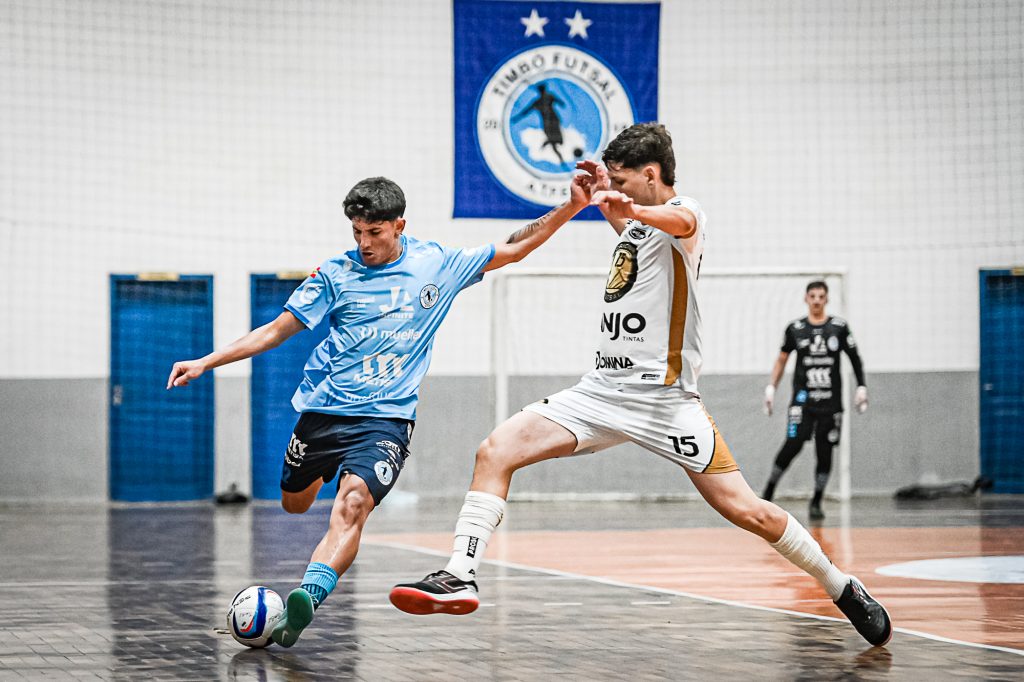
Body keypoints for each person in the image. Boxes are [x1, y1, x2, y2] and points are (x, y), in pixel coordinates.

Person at [390, 124, 893, 648]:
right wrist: (593, 198)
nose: (621, 191)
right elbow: (628, 225)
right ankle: (459, 575)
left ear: (651, 176)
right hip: (601, 392)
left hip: (665, 402)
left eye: (627, 181)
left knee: (750, 512)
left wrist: (629, 207)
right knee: (495, 450)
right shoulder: (634, 225)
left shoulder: (686, 216)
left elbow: (675, 218)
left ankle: (841, 586)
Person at [167, 175, 596, 648]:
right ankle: (312, 491)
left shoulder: (437, 264)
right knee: (295, 502)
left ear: (399, 225)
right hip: (323, 413)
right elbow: (274, 331)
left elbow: (514, 247)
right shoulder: (335, 274)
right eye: (357, 233)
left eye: (374, 233)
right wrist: (206, 361)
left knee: (352, 506)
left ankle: (307, 598)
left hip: (385, 421)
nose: (364, 243)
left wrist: (570, 208)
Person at [761, 281, 867, 521]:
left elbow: (855, 358)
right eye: (813, 296)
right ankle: (768, 492)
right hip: (803, 400)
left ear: (826, 299)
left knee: (825, 451)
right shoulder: (795, 329)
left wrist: (861, 386)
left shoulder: (839, 328)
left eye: (821, 296)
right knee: (793, 443)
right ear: (806, 299)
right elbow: (782, 359)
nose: (817, 300)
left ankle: (817, 500)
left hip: (830, 403)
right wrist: (771, 387)